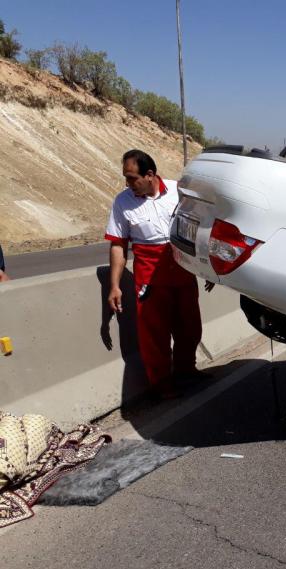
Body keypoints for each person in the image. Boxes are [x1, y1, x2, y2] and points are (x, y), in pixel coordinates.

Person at [105, 149, 208, 399]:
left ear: (150, 175)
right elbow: (118, 245)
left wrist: (208, 268)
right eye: (126, 178)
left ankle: (186, 370)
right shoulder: (123, 202)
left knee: (190, 326)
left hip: (182, 266)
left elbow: (202, 227)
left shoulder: (179, 191)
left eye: (132, 178)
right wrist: (114, 285)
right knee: (154, 332)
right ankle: (161, 384)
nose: (128, 184)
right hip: (149, 275)